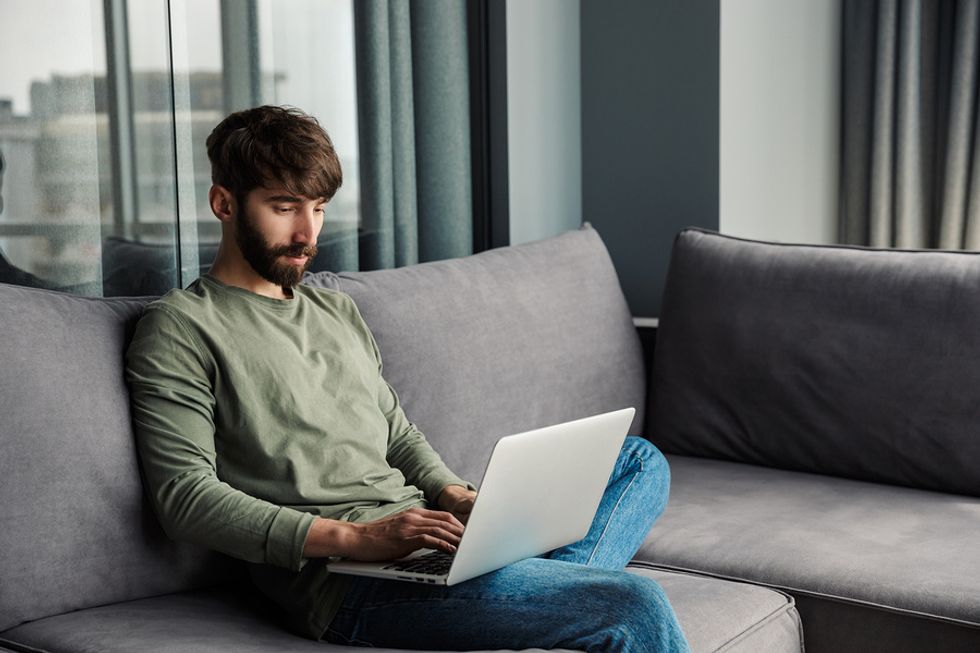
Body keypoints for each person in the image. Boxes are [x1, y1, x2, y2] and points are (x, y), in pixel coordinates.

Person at [125, 105, 690, 652]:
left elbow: (396, 433)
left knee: (638, 461)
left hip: (419, 537)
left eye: (319, 208)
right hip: (346, 581)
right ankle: (545, 587)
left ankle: (528, 579)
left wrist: (454, 494)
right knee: (632, 603)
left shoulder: (333, 309)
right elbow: (186, 498)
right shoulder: (182, 327)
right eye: (284, 207)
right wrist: (360, 539)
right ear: (224, 203)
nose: (307, 233)